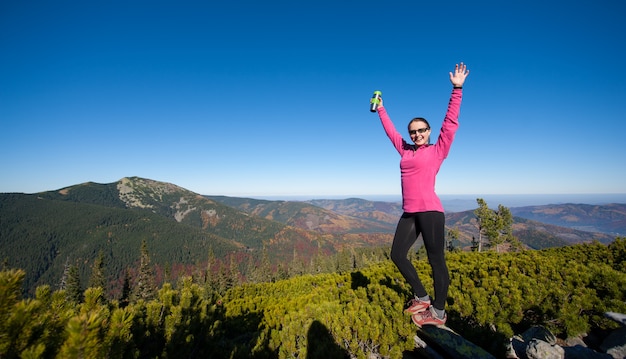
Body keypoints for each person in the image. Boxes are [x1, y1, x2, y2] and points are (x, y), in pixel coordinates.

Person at [375, 63, 469, 326]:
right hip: (410, 212)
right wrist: (381, 108)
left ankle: (438, 312)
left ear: (428, 132)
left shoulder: (437, 149)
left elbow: (450, 122)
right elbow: (390, 131)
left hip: (430, 212)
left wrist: (457, 88)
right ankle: (422, 296)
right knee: (397, 255)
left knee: (436, 260)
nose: (416, 134)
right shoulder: (404, 150)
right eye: (413, 131)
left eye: (421, 130)